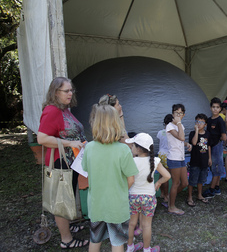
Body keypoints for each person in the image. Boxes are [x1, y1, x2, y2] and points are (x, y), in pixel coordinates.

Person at [37, 77, 89, 249]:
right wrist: (69, 143)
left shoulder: (64, 109)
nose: (70, 93)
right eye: (66, 91)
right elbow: (42, 138)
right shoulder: (52, 110)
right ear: (55, 92)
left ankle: (69, 225)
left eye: (71, 90)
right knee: (61, 201)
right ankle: (66, 239)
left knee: (68, 196)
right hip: (61, 162)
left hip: (70, 162)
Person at [82, 104, 138, 252]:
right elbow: (131, 179)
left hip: (96, 205)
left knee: (95, 239)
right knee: (117, 242)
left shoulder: (89, 147)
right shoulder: (123, 150)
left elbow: (87, 170)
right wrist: (119, 193)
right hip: (117, 206)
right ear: (116, 124)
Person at [126, 133, 171, 252]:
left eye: (133, 146)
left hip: (133, 197)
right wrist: (158, 183)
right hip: (149, 198)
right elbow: (167, 176)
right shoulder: (155, 161)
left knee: (131, 224)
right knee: (146, 225)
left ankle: (130, 247)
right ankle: (147, 249)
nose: (131, 147)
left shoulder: (131, 161)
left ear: (139, 148)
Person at [166, 104, 192, 215]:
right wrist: (179, 123)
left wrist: (186, 144)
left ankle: (170, 197)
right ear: (173, 114)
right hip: (174, 158)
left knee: (185, 183)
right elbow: (180, 137)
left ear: (184, 114)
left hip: (181, 158)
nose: (178, 115)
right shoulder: (170, 126)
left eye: (180, 113)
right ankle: (171, 206)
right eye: (176, 113)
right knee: (176, 183)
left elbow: (180, 140)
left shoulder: (180, 126)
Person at [202, 97, 227, 198]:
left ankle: (212, 190)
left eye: (217, 107)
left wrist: (218, 140)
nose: (215, 109)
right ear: (210, 108)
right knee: (215, 165)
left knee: (216, 167)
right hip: (210, 146)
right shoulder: (208, 120)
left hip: (217, 146)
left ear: (220, 109)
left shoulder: (220, 121)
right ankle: (217, 187)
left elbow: (224, 136)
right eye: (213, 107)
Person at [186, 114, 212, 206]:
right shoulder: (192, 133)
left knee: (201, 180)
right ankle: (189, 197)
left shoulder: (208, 134)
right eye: (197, 121)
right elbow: (193, 142)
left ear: (205, 124)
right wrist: (197, 131)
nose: (199, 124)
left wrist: (209, 158)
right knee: (192, 180)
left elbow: (208, 146)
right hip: (195, 161)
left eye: (201, 122)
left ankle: (199, 195)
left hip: (204, 161)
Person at [156, 114, 173, 207]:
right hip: (168, 155)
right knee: (166, 176)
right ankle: (166, 196)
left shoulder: (160, 132)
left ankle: (162, 193)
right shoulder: (172, 133)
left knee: (161, 174)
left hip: (160, 154)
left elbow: (160, 141)